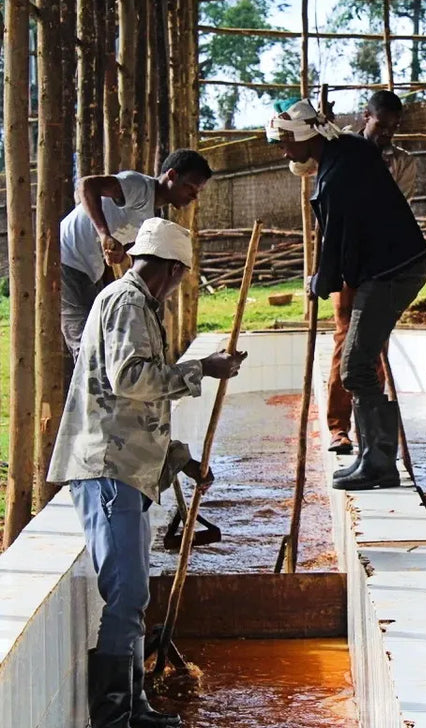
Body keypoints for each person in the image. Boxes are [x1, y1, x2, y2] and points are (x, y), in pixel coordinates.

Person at [48, 218, 247, 728]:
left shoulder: (136, 303)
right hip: (108, 470)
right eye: (181, 276)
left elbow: (131, 409)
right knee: (128, 594)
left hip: (127, 468)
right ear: (173, 270)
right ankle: (114, 716)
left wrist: (179, 458)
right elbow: (130, 379)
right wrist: (202, 369)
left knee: (133, 596)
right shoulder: (128, 302)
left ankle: (134, 707)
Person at [267, 98, 426, 490]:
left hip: (393, 271)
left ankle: (379, 463)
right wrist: (325, 278)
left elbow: (336, 243)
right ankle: (371, 457)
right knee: (358, 362)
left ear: (304, 136)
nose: (284, 151)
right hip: (391, 266)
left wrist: (320, 282)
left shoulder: (336, 175)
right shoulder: (347, 151)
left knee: (355, 366)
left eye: (285, 142)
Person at [327, 90, 417, 455]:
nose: (388, 134)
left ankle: (372, 431)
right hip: (346, 261)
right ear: (367, 116)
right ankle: (339, 427)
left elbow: (393, 208)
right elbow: (301, 167)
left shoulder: (402, 162)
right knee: (344, 340)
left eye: (394, 128)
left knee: (374, 342)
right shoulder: (341, 148)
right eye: (382, 126)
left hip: (381, 263)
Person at [60, 149, 213, 359]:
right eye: (190, 188)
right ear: (172, 175)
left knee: (100, 336)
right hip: (66, 256)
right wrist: (104, 234)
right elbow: (86, 185)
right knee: (87, 344)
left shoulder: (151, 215)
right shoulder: (139, 187)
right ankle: (89, 379)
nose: (194, 196)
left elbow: (122, 250)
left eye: (198, 191)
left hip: (90, 268)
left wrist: (119, 256)